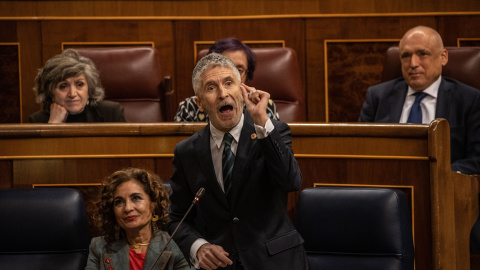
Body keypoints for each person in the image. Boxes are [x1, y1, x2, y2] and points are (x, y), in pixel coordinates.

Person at [168, 53, 308, 270]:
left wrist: (261, 120)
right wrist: (199, 247)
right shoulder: (187, 151)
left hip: (276, 262)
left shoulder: (271, 132)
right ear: (200, 104)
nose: (223, 94)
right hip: (222, 264)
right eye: (211, 87)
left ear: (241, 91)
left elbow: (291, 182)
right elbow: (176, 218)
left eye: (229, 83)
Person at [359, 25, 480, 175]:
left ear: (443, 57)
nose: (413, 64)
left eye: (422, 54)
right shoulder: (377, 96)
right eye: (406, 56)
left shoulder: (469, 100)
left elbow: (476, 158)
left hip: (442, 188)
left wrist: (436, 175)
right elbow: (360, 149)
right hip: (387, 186)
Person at [85, 168, 193, 270]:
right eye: (119, 202)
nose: (127, 208)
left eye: (136, 198)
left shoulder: (172, 244)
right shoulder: (99, 246)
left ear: (153, 204)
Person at [174, 37, 279, 122]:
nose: (223, 94)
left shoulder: (262, 105)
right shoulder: (189, 107)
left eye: (238, 70)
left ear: (247, 75)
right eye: (224, 68)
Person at [29, 49, 126, 123]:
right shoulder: (37, 120)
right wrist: (53, 126)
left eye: (79, 84)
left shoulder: (111, 113)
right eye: (63, 86)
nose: (72, 93)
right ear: (50, 92)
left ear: (89, 88)